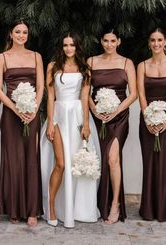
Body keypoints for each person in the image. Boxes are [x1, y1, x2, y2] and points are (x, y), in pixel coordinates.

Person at [40, 32, 101, 228]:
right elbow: (49, 97)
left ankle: (76, 209)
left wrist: (85, 123)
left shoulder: (84, 68)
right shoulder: (52, 66)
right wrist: (50, 122)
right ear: (61, 46)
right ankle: (50, 206)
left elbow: (84, 98)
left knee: (77, 165)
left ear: (77, 47)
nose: (68, 48)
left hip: (76, 116)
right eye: (65, 45)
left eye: (72, 45)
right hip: (58, 116)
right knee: (61, 163)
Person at [0, 20, 44, 227]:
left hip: (31, 114)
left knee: (31, 159)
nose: (21, 35)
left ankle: (32, 210)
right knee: (13, 160)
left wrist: (33, 109)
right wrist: (16, 109)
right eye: (18, 32)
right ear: (11, 34)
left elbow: (40, 87)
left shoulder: (36, 56)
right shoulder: (2, 58)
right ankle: (14, 208)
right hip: (10, 115)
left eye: (25, 32)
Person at [87, 27, 137, 224]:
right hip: (98, 116)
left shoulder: (127, 63)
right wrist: (94, 109)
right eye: (106, 40)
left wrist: (116, 111)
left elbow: (133, 94)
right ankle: (97, 203)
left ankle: (115, 203)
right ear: (101, 41)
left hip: (119, 117)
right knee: (100, 159)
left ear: (119, 42)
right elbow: (85, 91)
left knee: (113, 158)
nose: (109, 44)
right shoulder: (91, 61)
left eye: (113, 41)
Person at [137, 27, 166, 222]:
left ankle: (164, 210)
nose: (156, 44)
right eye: (153, 40)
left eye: (159, 40)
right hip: (147, 120)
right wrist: (148, 119)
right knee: (149, 163)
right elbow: (141, 95)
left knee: (165, 163)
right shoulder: (142, 66)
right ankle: (147, 210)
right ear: (149, 43)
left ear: (165, 42)